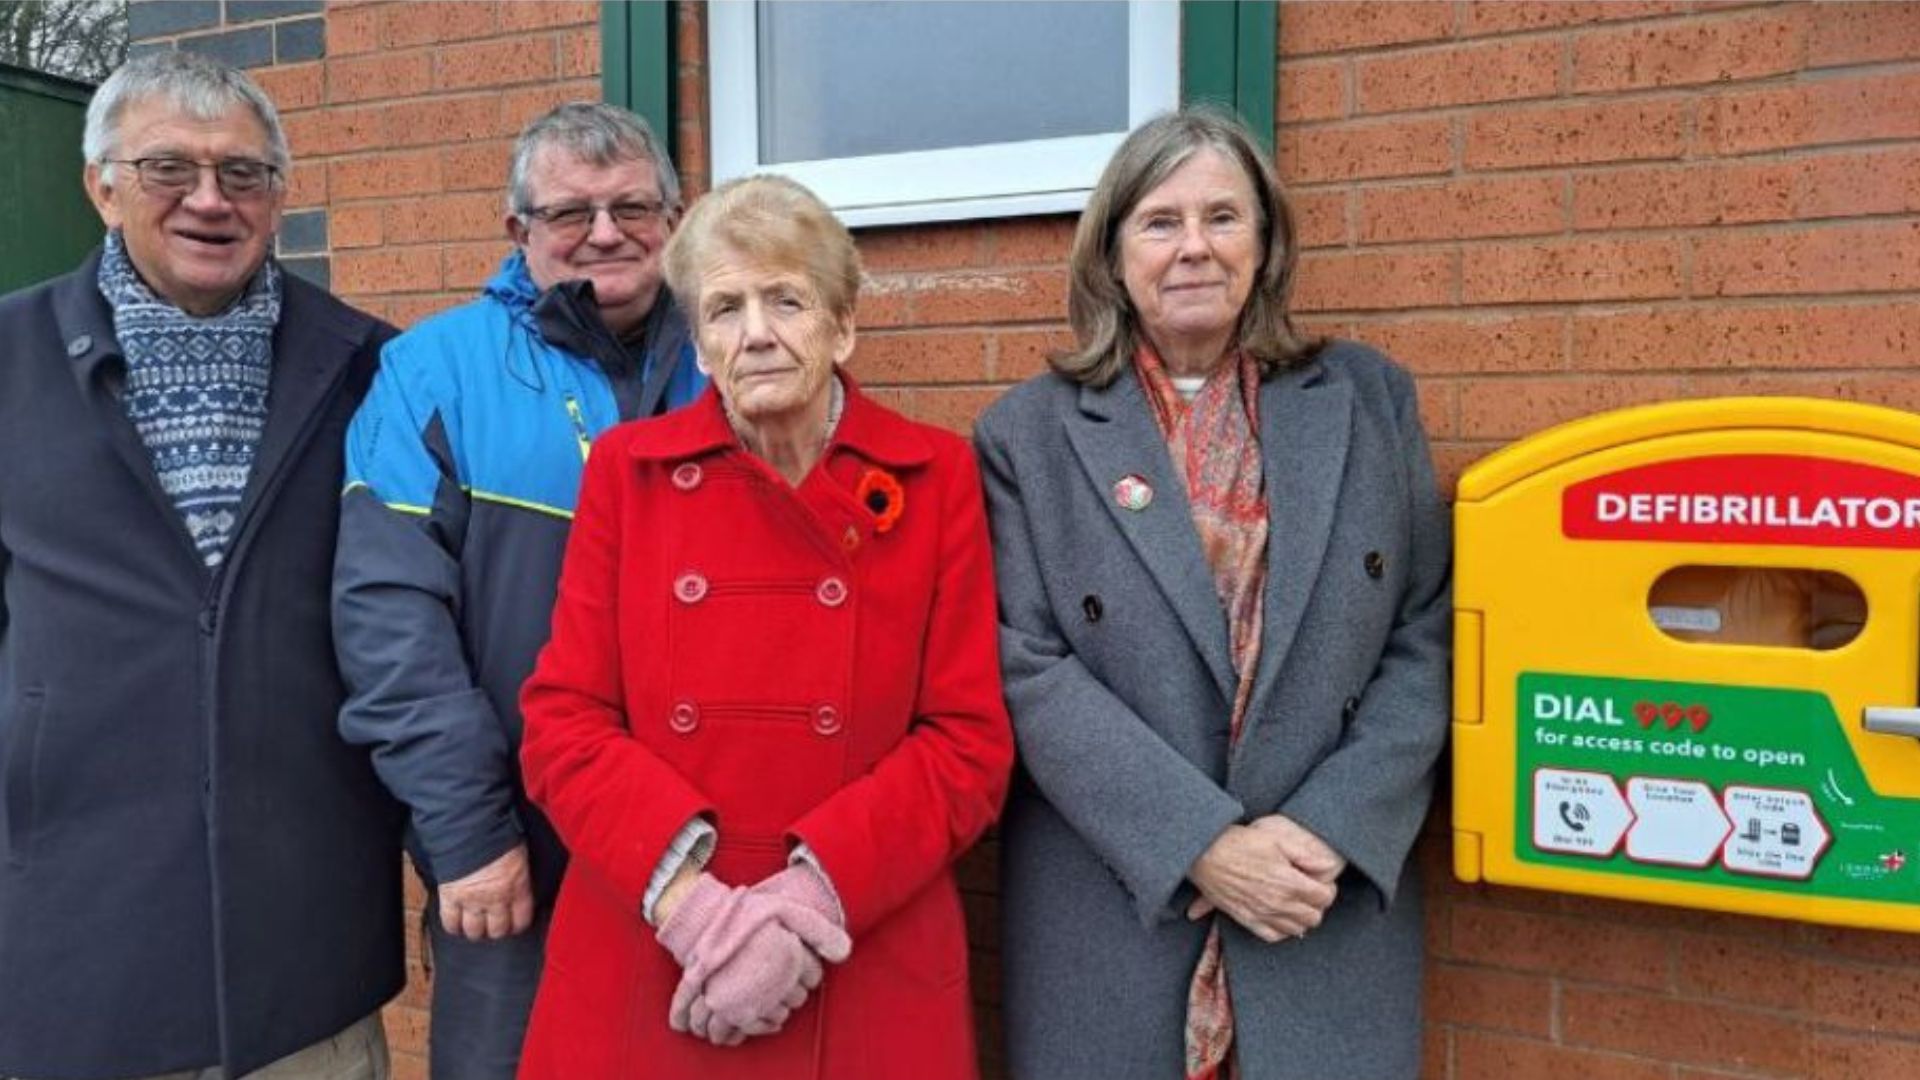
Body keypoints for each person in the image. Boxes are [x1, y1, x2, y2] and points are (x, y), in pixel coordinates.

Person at [975, 108, 1451, 1080]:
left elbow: (1427, 630)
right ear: (1111, 253)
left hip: (1314, 893)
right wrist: (1200, 844)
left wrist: (1325, 827)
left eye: (1223, 217)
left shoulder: (1368, 402)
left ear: (1266, 242)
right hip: (1117, 904)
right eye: (1160, 221)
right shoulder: (1027, 434)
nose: (1194, 246)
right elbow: (1024, 665)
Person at [515, 174, 1014, 1079]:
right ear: (699, 345)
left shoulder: (935, 478)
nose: (755, 333)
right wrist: (699, 913)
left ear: (842, 325)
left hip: (860, 938)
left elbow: (967, 742)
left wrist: (802, 907)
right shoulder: (629, 473)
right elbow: (563, 719)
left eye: (786, 300)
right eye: (725, 308)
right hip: (659, 946)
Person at [0, 51, 402, 1079]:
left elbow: (412, 629)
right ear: (101, 186)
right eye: (168, 169)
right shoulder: (8, 361)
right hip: (76, 952)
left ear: (281, 195)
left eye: (245, 173)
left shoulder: (372, 370)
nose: (211, 201)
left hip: (306, 962)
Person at [332, 103, 705, 1079]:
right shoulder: (431, 374)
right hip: (517, 852)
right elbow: (389, 624)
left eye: (634, 206)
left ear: (677, 216)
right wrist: (466, 833)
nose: (608, 232)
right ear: (518, 231)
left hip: (711, 841)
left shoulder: (736, 360)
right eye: (571, 214)